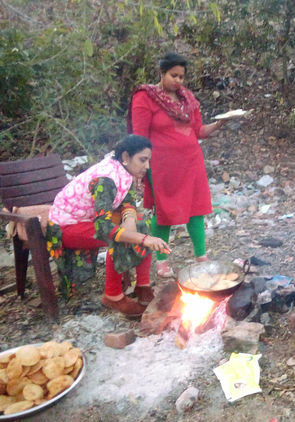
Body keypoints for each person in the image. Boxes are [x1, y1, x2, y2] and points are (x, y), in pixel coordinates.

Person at [47, 135, 170, 316]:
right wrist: (143, 239)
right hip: (67, 226)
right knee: (119, 235)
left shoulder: (123, 170)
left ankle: (142, 286)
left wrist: (130, 220)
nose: (147, 166)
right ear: (126, 156)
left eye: (148, 161)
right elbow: (103, 228)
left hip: (89, 219)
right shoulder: (105, 179)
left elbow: (126, 199)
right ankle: (113, 296)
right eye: (142, 160)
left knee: (142, 223)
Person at [128, 52, 226, 278]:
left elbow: (199, 131)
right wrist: (140, 168)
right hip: (162, 166)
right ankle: (162, 261)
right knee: (164, 211)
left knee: (196, 209)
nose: (178, 81)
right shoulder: (145, 97)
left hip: (191, 162)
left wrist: (220, 123)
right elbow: (139, 137)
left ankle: (201, 256)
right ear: (161, 73)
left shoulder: (187, 99)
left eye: (181, 77)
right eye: (174, 75)